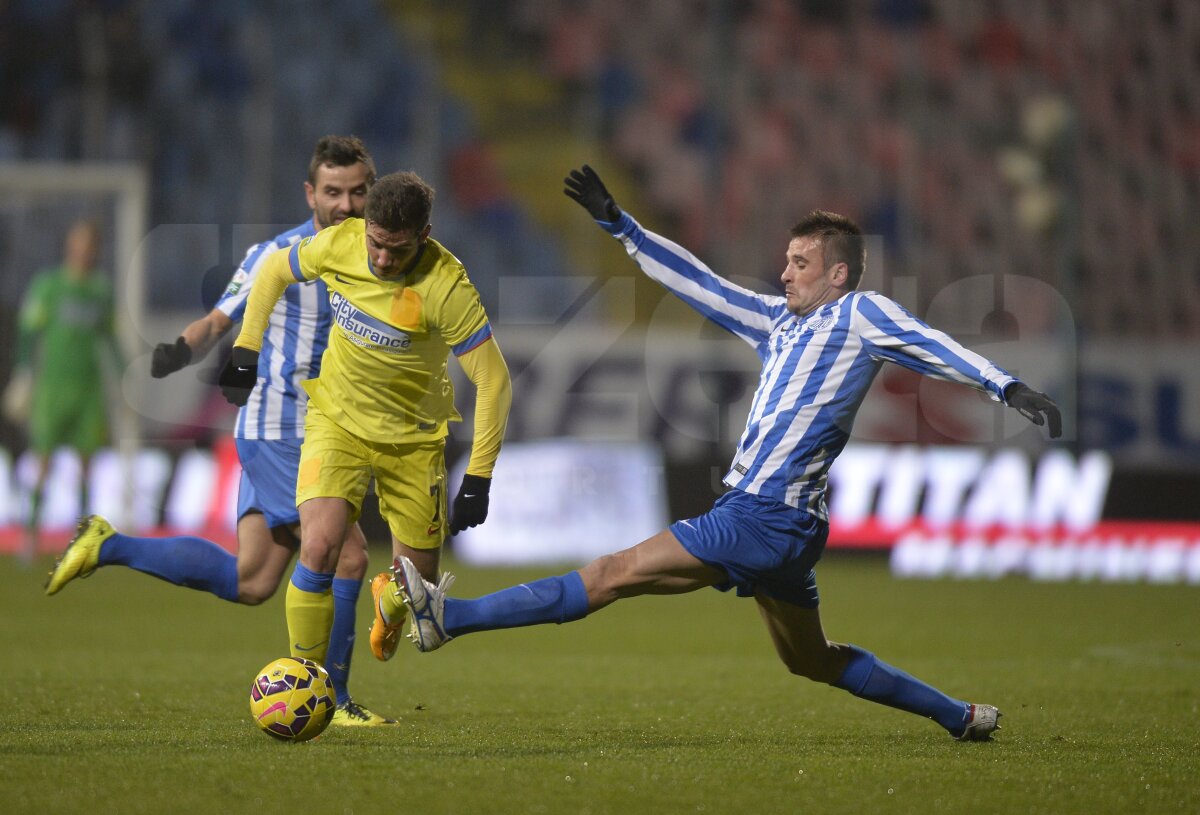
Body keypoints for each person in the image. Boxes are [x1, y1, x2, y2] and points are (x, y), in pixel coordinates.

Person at [386, 165, 1064, 742]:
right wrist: (624, 227)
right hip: (784, 525)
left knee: (613, 572)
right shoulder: (777, 323)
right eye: (786, 260)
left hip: (762, 516)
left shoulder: (860, 314)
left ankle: (451, 619)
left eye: (800, 262)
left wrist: (1004, 384)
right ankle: (960, 716)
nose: (785, 271)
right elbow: (700, 283)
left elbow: (929, 340)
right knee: (814, 660)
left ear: (837, 273)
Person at [44, 136, 394, 727]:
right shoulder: (278, 254)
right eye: (333, 192)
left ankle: (108, 544)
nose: (347, 204)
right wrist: (180, 350)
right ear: (311, 193)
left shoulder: (380, 254)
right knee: (350, 554)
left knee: (252, 578)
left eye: (358, 191)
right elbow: (219, 318)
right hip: (284, 426)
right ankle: (333, 702)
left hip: (323, 430)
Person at [222, 170, 511, 680]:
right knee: (319, 545)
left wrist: (480, 477)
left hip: (414, 443)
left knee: (418, 594)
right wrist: (246, 350)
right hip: (337, 424)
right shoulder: (341, 243)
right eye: (376, 244)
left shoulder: (447, 287)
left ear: (424, 236)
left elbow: (495, 382)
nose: (381, 259)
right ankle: (303, 680)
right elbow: (272, 270)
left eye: (396, 251)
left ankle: (391, 601)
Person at [10, 219, 123, 564]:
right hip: (53, 388)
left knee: (86, 464)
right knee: (43, 462)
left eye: (90, 245)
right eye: (79, 244)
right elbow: (30, 330)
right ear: (69, 247)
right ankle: (30, 536)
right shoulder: (49, 286)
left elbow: (110, 338)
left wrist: (124, 373)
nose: (84, 252)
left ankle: (83, 540)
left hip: (87, 390)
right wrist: (24, 371)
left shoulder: (101, 291)